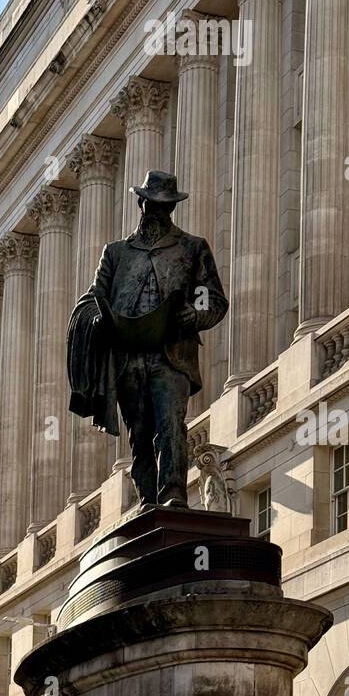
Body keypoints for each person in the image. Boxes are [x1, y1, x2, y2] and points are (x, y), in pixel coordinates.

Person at [67, 170, 228, 510]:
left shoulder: (192, 248)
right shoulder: (115, 253)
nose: (158, 212)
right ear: (141, 203)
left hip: (171, 355)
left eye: (165, 207)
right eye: (153, 205)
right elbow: (94, 297)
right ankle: (147, 500)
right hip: (128, 356)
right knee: (139, 435)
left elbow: (212, 299)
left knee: (170, 423)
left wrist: (195, 316)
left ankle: (173, 493)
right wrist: (96, 320)